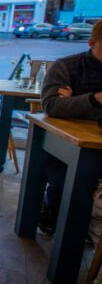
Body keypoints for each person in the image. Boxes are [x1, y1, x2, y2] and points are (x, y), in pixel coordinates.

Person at [38, 19, 102, 234]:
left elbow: (63, 106)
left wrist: (75, 101)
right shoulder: (66, 66)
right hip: (66, 147)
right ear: (92, 42)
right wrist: (94, 100)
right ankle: (56, 220)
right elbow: (52, 106)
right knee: (71, 181)